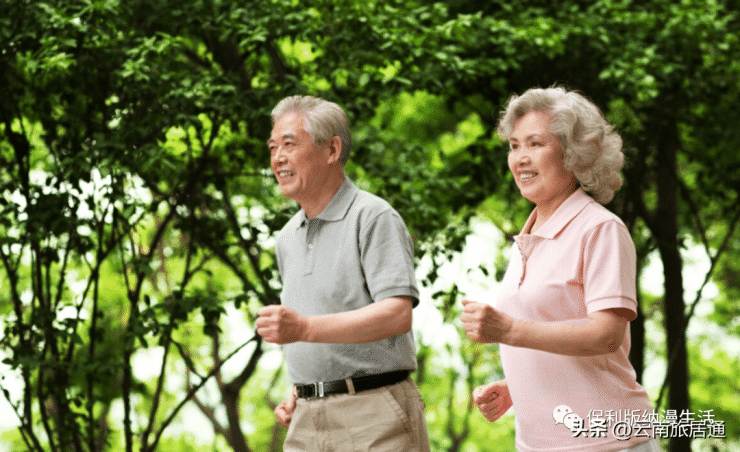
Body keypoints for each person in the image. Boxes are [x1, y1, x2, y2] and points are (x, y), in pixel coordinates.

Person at [460, 86, 661, 452]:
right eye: (514, 146)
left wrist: (508, 329)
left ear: (574, 154)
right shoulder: (528, 235)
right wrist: (515, 388)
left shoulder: (600, 229)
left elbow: (605, 335)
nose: (520, 158)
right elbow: (555, 327)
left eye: (535, 144)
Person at [256, 95, 430, 451]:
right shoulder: (286, 237)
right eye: (273, 147)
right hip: (306, 417)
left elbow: (398, 314)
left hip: (375, 413)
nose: (278, 158)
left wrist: (303, 329)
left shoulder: (373, 217)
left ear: (332, 149)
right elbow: (322, 320)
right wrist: (304, 387)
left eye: (289, 144)